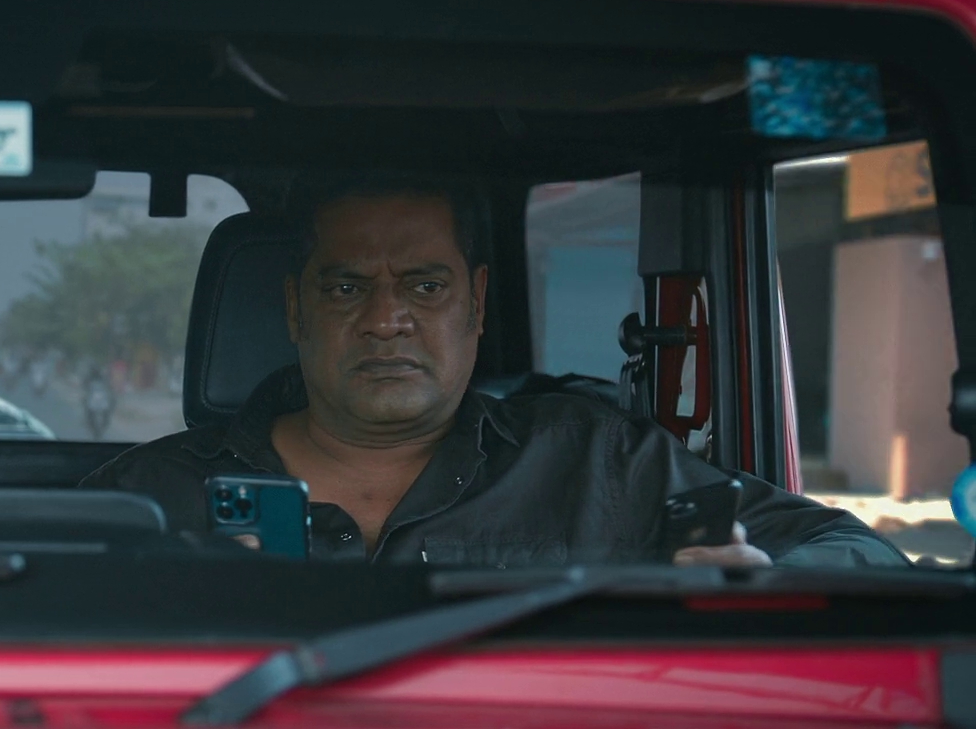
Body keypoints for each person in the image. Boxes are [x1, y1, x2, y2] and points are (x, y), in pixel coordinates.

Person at [83, 173, 905, 566]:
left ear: (475, 303)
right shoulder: (150, 495)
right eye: (346, 287)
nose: (385, 319)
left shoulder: (598, 462)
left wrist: (766, 584)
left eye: (424, 285)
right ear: (296, 310)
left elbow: (853, 550)